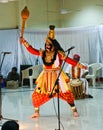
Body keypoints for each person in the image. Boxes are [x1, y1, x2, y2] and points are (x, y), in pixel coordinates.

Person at [20, 25, 87, 118]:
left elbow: (69, 60)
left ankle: (74, 110)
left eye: (49, 45)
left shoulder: (59, 54)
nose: (47, 46)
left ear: (53, 45)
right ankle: (36, 112)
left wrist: (81, 66)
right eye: (46, 45)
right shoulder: (43, 53)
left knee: (66, 93)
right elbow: (32, 50)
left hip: (57, 76)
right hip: (45, 77)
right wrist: (24, 42)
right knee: (36, 94)